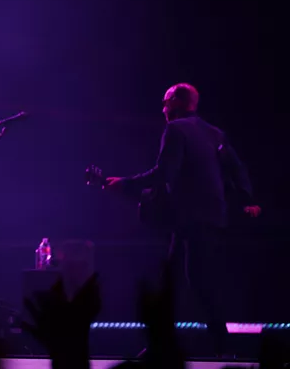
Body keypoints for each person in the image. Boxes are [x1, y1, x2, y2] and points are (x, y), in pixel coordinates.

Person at [105, 83, 260, 355]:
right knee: (177, 278)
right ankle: (165, 345)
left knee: (195, 280)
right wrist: (247, 199)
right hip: (207, 217)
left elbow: (164, 174)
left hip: (191, 218)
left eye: (165, 103)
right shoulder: (214, 133)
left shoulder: (175, 130)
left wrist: (126, 184)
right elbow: (236, 169)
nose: (163, 109)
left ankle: (219, 347)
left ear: (176, 102)